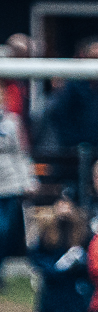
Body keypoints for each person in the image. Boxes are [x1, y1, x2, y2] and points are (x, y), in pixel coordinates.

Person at [0, 99, 35, 262]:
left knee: (4, 230)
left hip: (10, 186)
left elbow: (22, 153)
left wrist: (28, 179)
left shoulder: (11, 122)